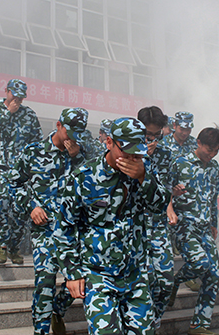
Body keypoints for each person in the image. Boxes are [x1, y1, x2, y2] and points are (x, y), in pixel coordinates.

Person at [54, 117, 170, 335]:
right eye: (127, 152)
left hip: (135, 274)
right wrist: (72, 272)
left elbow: (160, 206)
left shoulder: (143, 170)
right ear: (109, 142)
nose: (132, 159)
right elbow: (64, 229)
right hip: (99, 275)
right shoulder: (84, 177)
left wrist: (143, 178)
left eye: (137, 154)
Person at [13, 108, 88, 335]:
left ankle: (58, 308)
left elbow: (91, 185)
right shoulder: (33, 151)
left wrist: (77, 158)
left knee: (83, 277)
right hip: (44, 229)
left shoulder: (82, 154)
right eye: (69, 132)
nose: (72, 138)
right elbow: (15, 183)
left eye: (77, 134)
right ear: (58, 125)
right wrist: (31, 207)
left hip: (73, 231)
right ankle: (42, 331)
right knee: (45, 284)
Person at [167, 126, 219, 335]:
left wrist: (214, 224)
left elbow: (213, 197)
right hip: (184, 226)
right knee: (200, 263)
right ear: (199, 143)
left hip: (204, 227)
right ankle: (174, 281)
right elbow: (164, 191)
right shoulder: (180, 163)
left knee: (214, 275)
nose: (212, 154)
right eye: (209, 149)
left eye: (216, 151)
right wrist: (170, 206)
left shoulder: (214, 167)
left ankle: (199, 324)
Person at [0, 79, 43, 264]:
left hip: (19, 168)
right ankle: (2, 247)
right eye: (15, 95)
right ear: (6, 91)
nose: (18, 100)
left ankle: (14, 248)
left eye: (21, 97)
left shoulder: (29, 114)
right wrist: (8, 113)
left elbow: (37, 142)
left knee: (19, 208)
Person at [137, 106, 174, 329]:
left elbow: (165, 186)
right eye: (147, 135)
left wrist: (170, 207)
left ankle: (154, 321)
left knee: (166, 280)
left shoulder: (165, 154)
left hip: (157, 222)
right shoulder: (127, 150)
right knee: (146, 279)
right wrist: (144, 158)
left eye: (156, 135)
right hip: (135, 223)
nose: (151, 140)